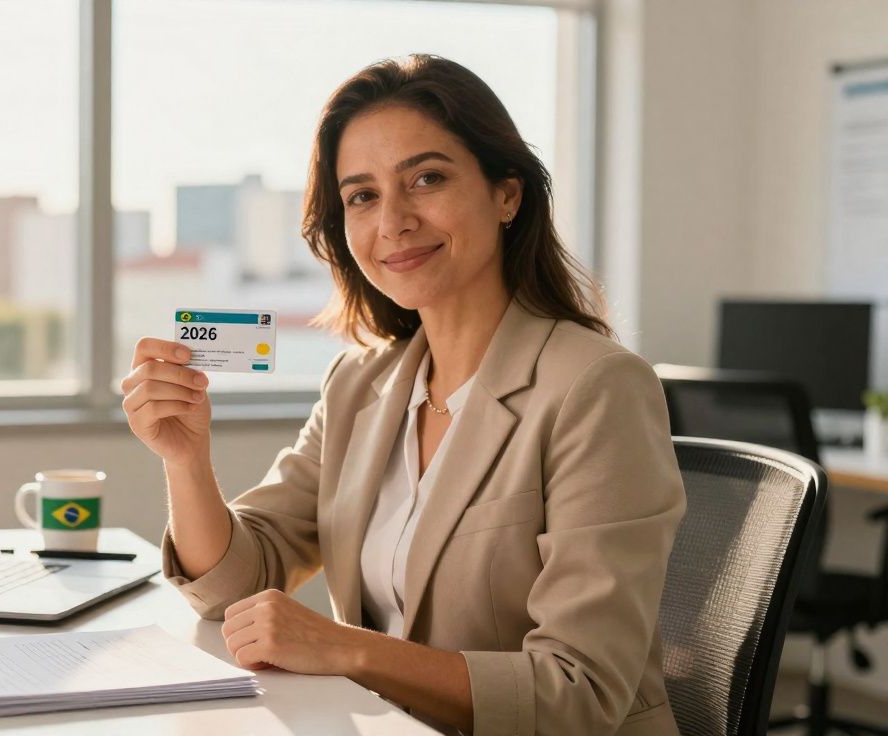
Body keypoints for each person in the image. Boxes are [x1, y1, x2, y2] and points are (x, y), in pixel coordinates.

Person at [120, 54, 685, 736]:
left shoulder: (596, 387)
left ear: (507, 194)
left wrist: (348, 650)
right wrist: (186, 459)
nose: (393, 221)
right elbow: (235, 585)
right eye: (361, 195)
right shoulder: (360, 383)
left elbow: (581, 693)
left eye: (427, 179)